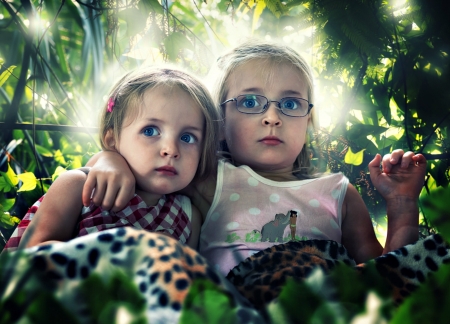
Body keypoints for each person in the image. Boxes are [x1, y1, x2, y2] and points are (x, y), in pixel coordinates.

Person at [81, 39, 427, 277]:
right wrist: (110, 159)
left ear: (308, 121)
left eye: (290, 104)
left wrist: (401, 205)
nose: (272, 117)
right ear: (217, 124)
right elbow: (146, 165)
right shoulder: (208, 177)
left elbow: (387, 279)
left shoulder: (338, 192)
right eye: (250, 102)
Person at [5, 66, 220, 251]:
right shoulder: (80, 187)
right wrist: (129, 248)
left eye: (187, 137)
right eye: (150, 131)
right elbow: (31, 257)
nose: (171, 149)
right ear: (112, 139)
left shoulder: (188, 217)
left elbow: (190, 282)